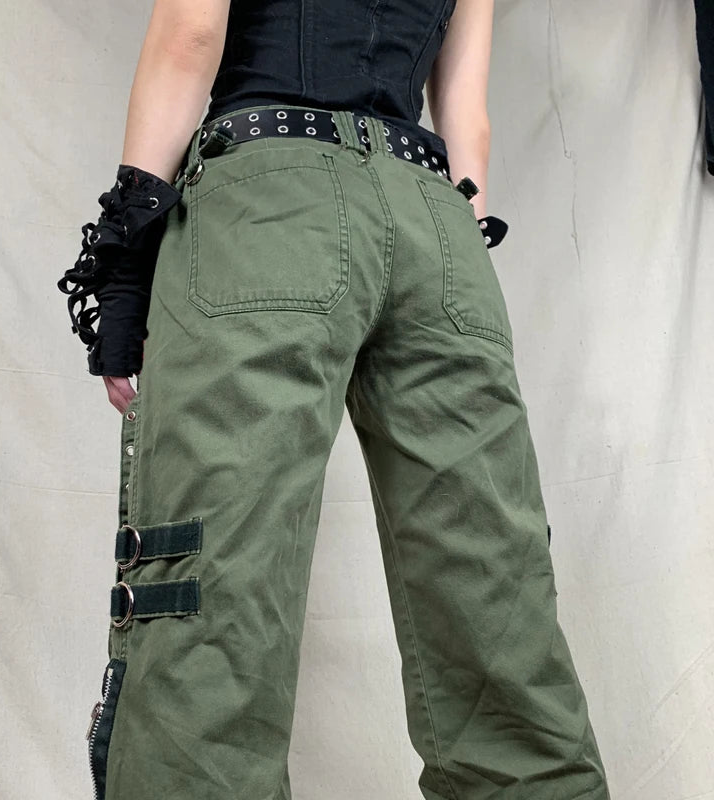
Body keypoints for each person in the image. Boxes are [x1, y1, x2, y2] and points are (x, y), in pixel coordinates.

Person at [58, 1, 611, 797]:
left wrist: (126, 257)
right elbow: (467, 116)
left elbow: (192, 32)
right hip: (440, 224)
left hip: (269, 198)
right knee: (495, 593)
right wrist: (449, 252)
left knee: (214, 598)